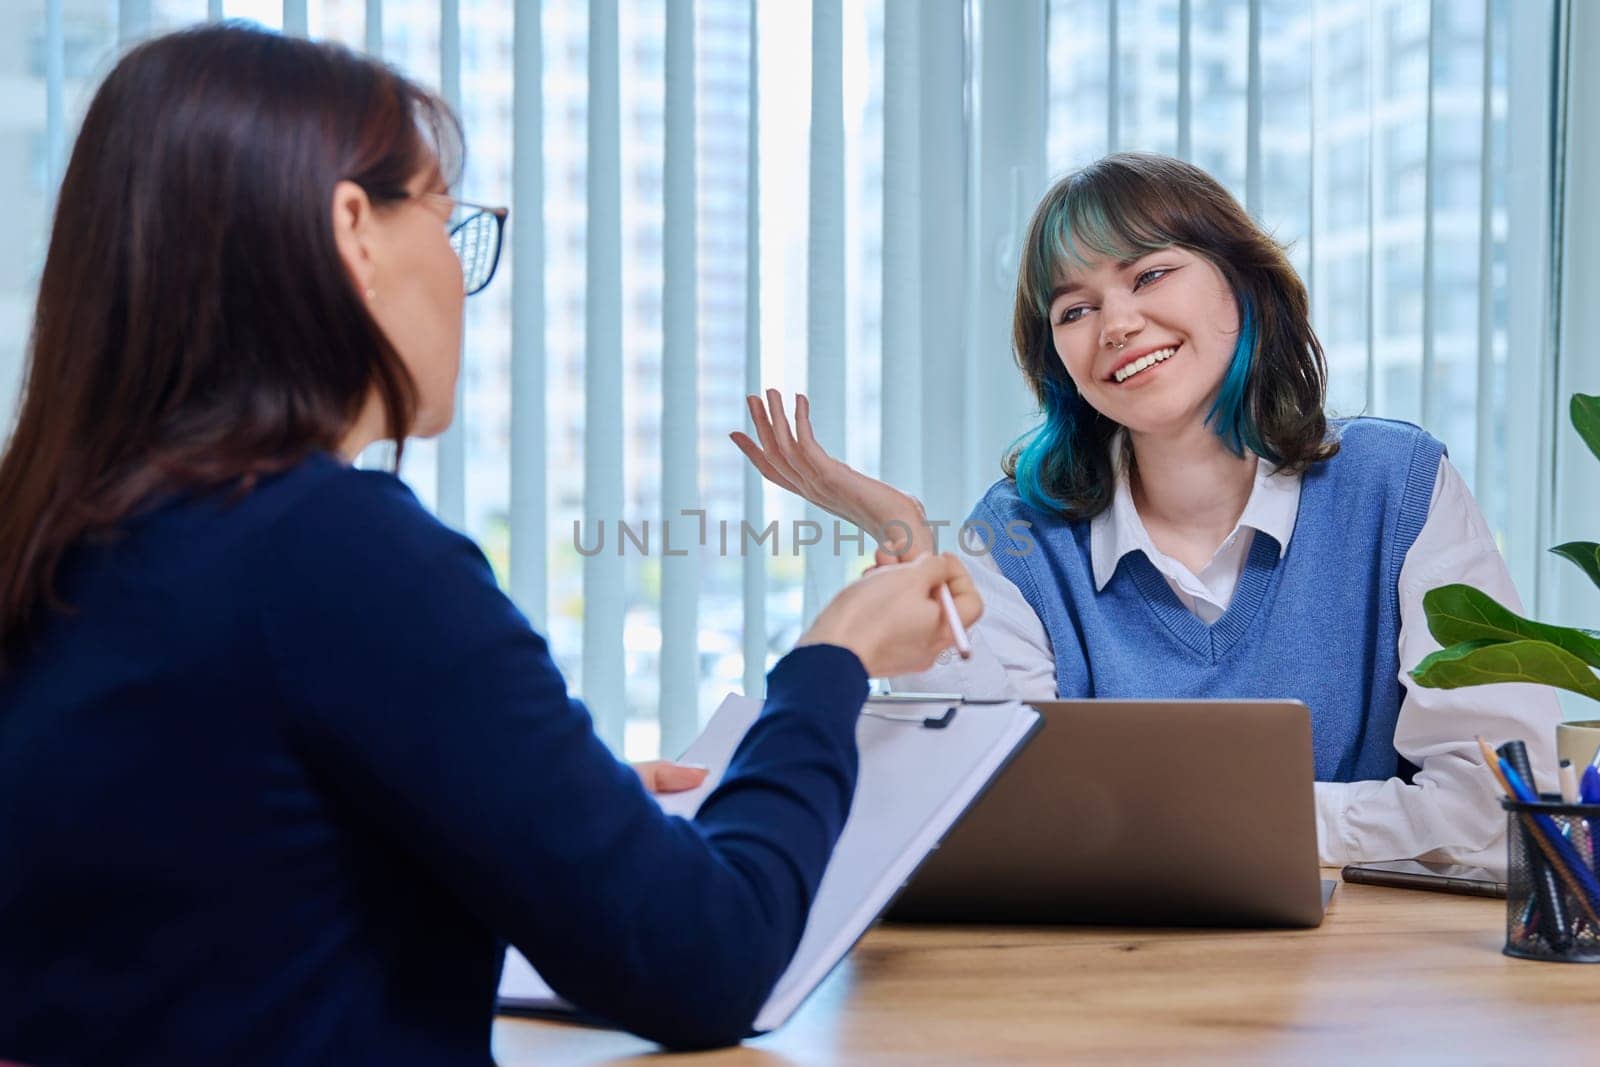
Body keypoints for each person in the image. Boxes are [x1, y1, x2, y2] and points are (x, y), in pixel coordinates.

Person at [0, 24, 982, 1065]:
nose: (465, 277)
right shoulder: (330, 549)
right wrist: (832, 661)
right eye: (447, 217)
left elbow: (219, 900)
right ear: (354, 231)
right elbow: (707, 957)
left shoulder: (58, 540)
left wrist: (513, 803)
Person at [733, 151, 1560, 871]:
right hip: (1101, 983)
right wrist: (914, 555)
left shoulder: (1398, 485)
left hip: (1369, 985)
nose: (1118, 324)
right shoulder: (1020, 532)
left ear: (1244, 282)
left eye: (1150, 274)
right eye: (1075, 309)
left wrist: (1215, 825)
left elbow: (1496, 805)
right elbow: (984, 801)